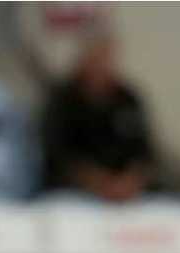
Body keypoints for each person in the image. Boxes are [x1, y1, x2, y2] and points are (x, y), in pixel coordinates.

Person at [39, 29, 155, 201]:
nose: (102, 65)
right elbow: (58, 156)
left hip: (127, 193)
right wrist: (98, 183)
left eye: (107, 58)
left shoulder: (127, 100)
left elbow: (146, 152)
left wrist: (130, 182)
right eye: (97, 58)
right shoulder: (63, 102)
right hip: (74, 194)